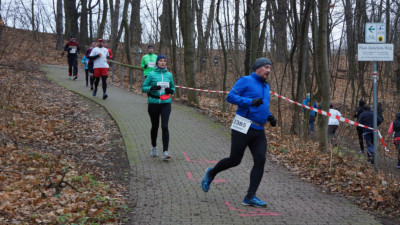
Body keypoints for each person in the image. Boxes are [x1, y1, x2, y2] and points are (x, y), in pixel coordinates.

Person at [201, 58, 277, 207]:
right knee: (235, 160)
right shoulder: (246, 80)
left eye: (270, 68)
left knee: (260, 160)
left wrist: (269, 117)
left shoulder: (266, 86)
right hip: (242, 126)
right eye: (266, 67)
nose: (269, 71)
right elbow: (230, 97)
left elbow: (261, 106)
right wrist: (249, 102)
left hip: (259, 130)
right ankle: (211, 173)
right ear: (258, 68)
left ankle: (250, 196)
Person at [142, 55, 175, 161]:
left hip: (166, 103)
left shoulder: (169, 75)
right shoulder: (151, 74)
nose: (163, 63)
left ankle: (165, 152)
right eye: (161, 61)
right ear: (157, 63)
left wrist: (171, 91)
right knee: (155, 126)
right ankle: (154, 147)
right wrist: (152, 88)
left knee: (165, 126)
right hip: (153, 103)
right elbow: (143, 88)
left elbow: (173, 88)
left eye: (164, 61)